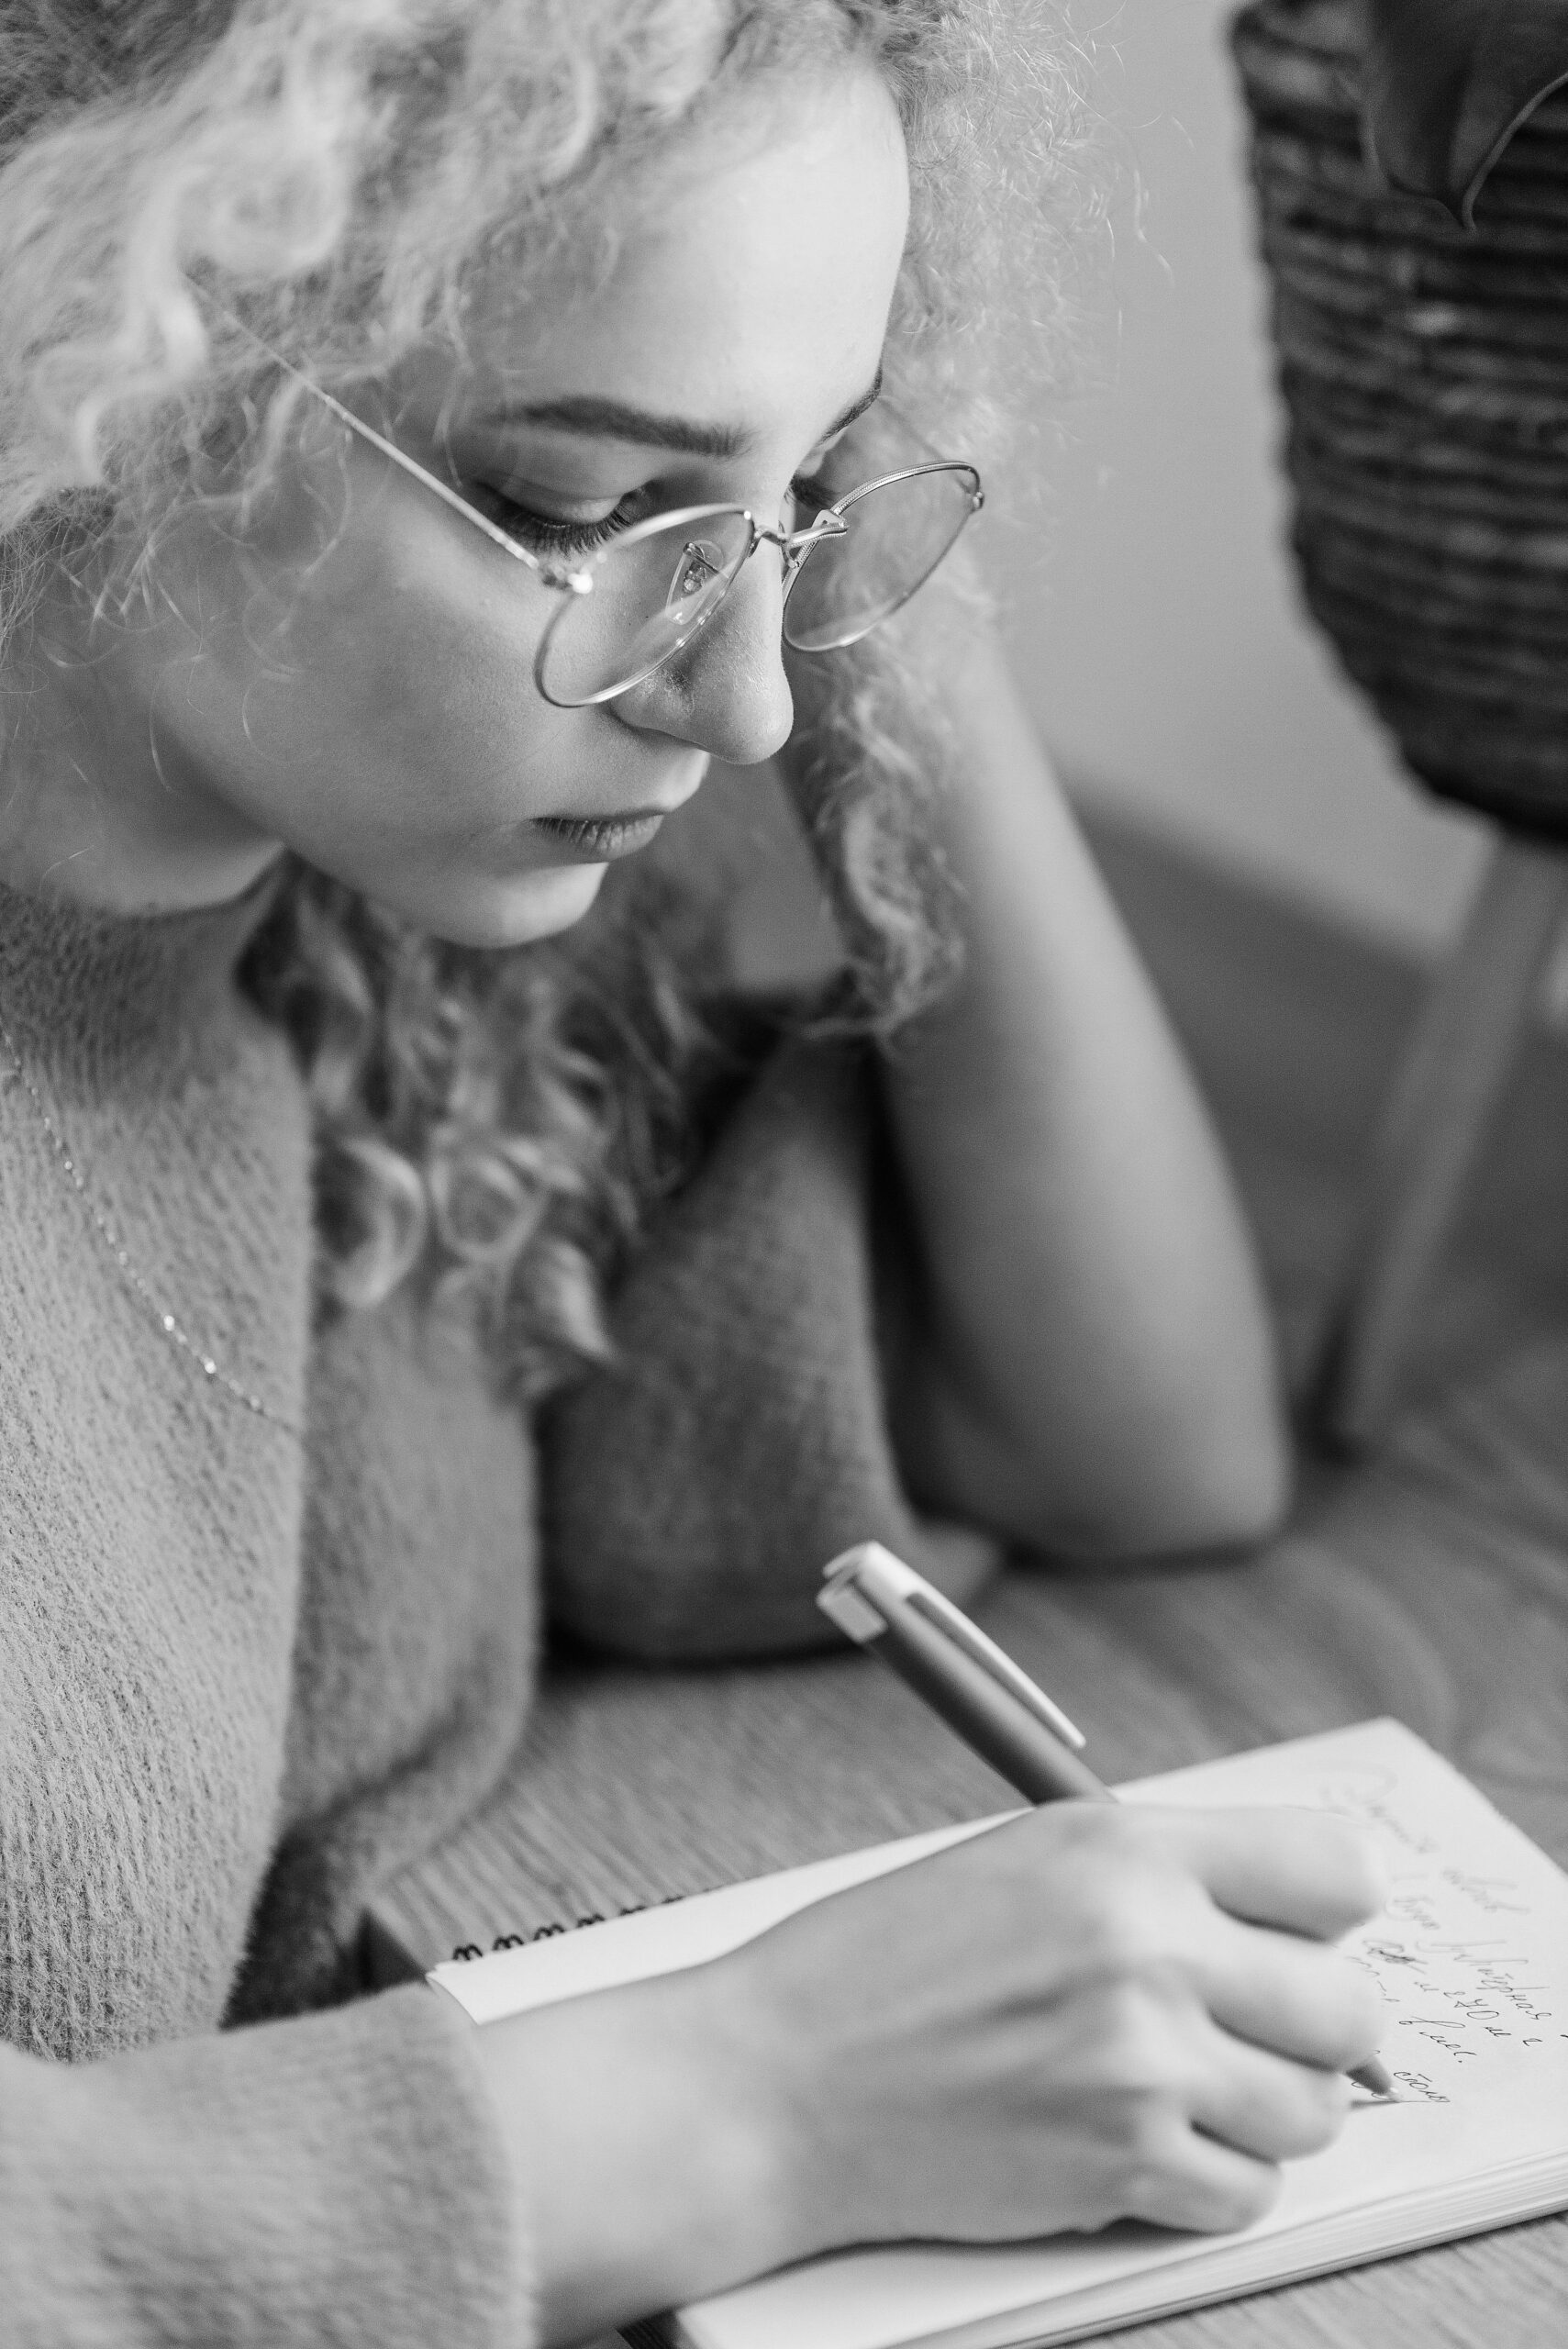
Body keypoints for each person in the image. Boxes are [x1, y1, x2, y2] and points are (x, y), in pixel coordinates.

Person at [0, 4, 1387, 2343]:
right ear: (96, 357)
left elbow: (1121, 1435)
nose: (740, 700)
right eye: (574, 504)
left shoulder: (371, 975)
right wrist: (754, 2096)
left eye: (801, 496)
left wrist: (856, 583)